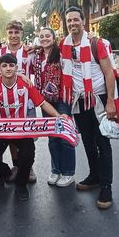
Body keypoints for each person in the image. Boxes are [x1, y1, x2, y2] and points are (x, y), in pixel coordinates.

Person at [0, 54, 70, 202]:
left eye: (11, 65)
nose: (8, 68)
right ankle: (7, 173)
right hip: (0, 131)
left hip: (22, 130)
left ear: (16, 67)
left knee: (28, 155)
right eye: (4, 65)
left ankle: (21, 184)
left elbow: (42, 104)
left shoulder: (25, 85)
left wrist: (58, 115)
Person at [60, 7, 119, 210]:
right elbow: (48, 51)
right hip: (79, 100)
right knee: (87, 141)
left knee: (103, 143)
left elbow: (109, 73)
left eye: (76, 19)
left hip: (100, 99)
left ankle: (106, 187)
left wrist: (110, 101)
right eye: (69, 20)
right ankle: (94, 176)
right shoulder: (65, 44)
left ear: (83, 21)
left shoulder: (96, 43)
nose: (72, 23)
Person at [34, 27, 75, 187]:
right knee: (52, 137)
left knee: (64, 135)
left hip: (62, 99)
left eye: (47, 36)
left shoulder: (62, 53)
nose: (44, 39)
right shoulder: (37, 56)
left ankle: (68, 172)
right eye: (42, 36)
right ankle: (56, 170)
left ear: (53, 37)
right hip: (46, 100)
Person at [0, 20, 37, 183]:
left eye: (16, 33)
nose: (13, 36)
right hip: (6, 100)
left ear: (21, 34)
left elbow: (39, 67)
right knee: (12, 133)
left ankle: (28, 166)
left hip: (26, 99)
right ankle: (17, 165)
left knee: (26, 134)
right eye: (11, 33)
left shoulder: (29, 52)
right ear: (7, 34)